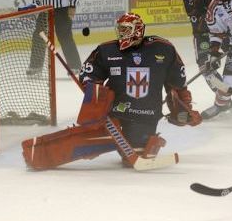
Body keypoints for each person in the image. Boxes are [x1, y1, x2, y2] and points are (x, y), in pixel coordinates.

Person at [21, 13, 202, 170]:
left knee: (137, 156)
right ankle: (37, 153)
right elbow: (89, 73)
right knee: (87, 139)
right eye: (120, 29)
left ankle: (131, 142)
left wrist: (182, 110)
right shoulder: (107, 50)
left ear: (137, 31)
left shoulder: (164, 49)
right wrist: (94, 93)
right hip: (114, 115)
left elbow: (177, 86)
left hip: (146, 116)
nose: (120, 33)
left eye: (125, 29)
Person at [183, 0, 223, 98]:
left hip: (225, 31)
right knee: (205, 68)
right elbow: (197, 20)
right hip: (203, 35)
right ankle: (223, 95)